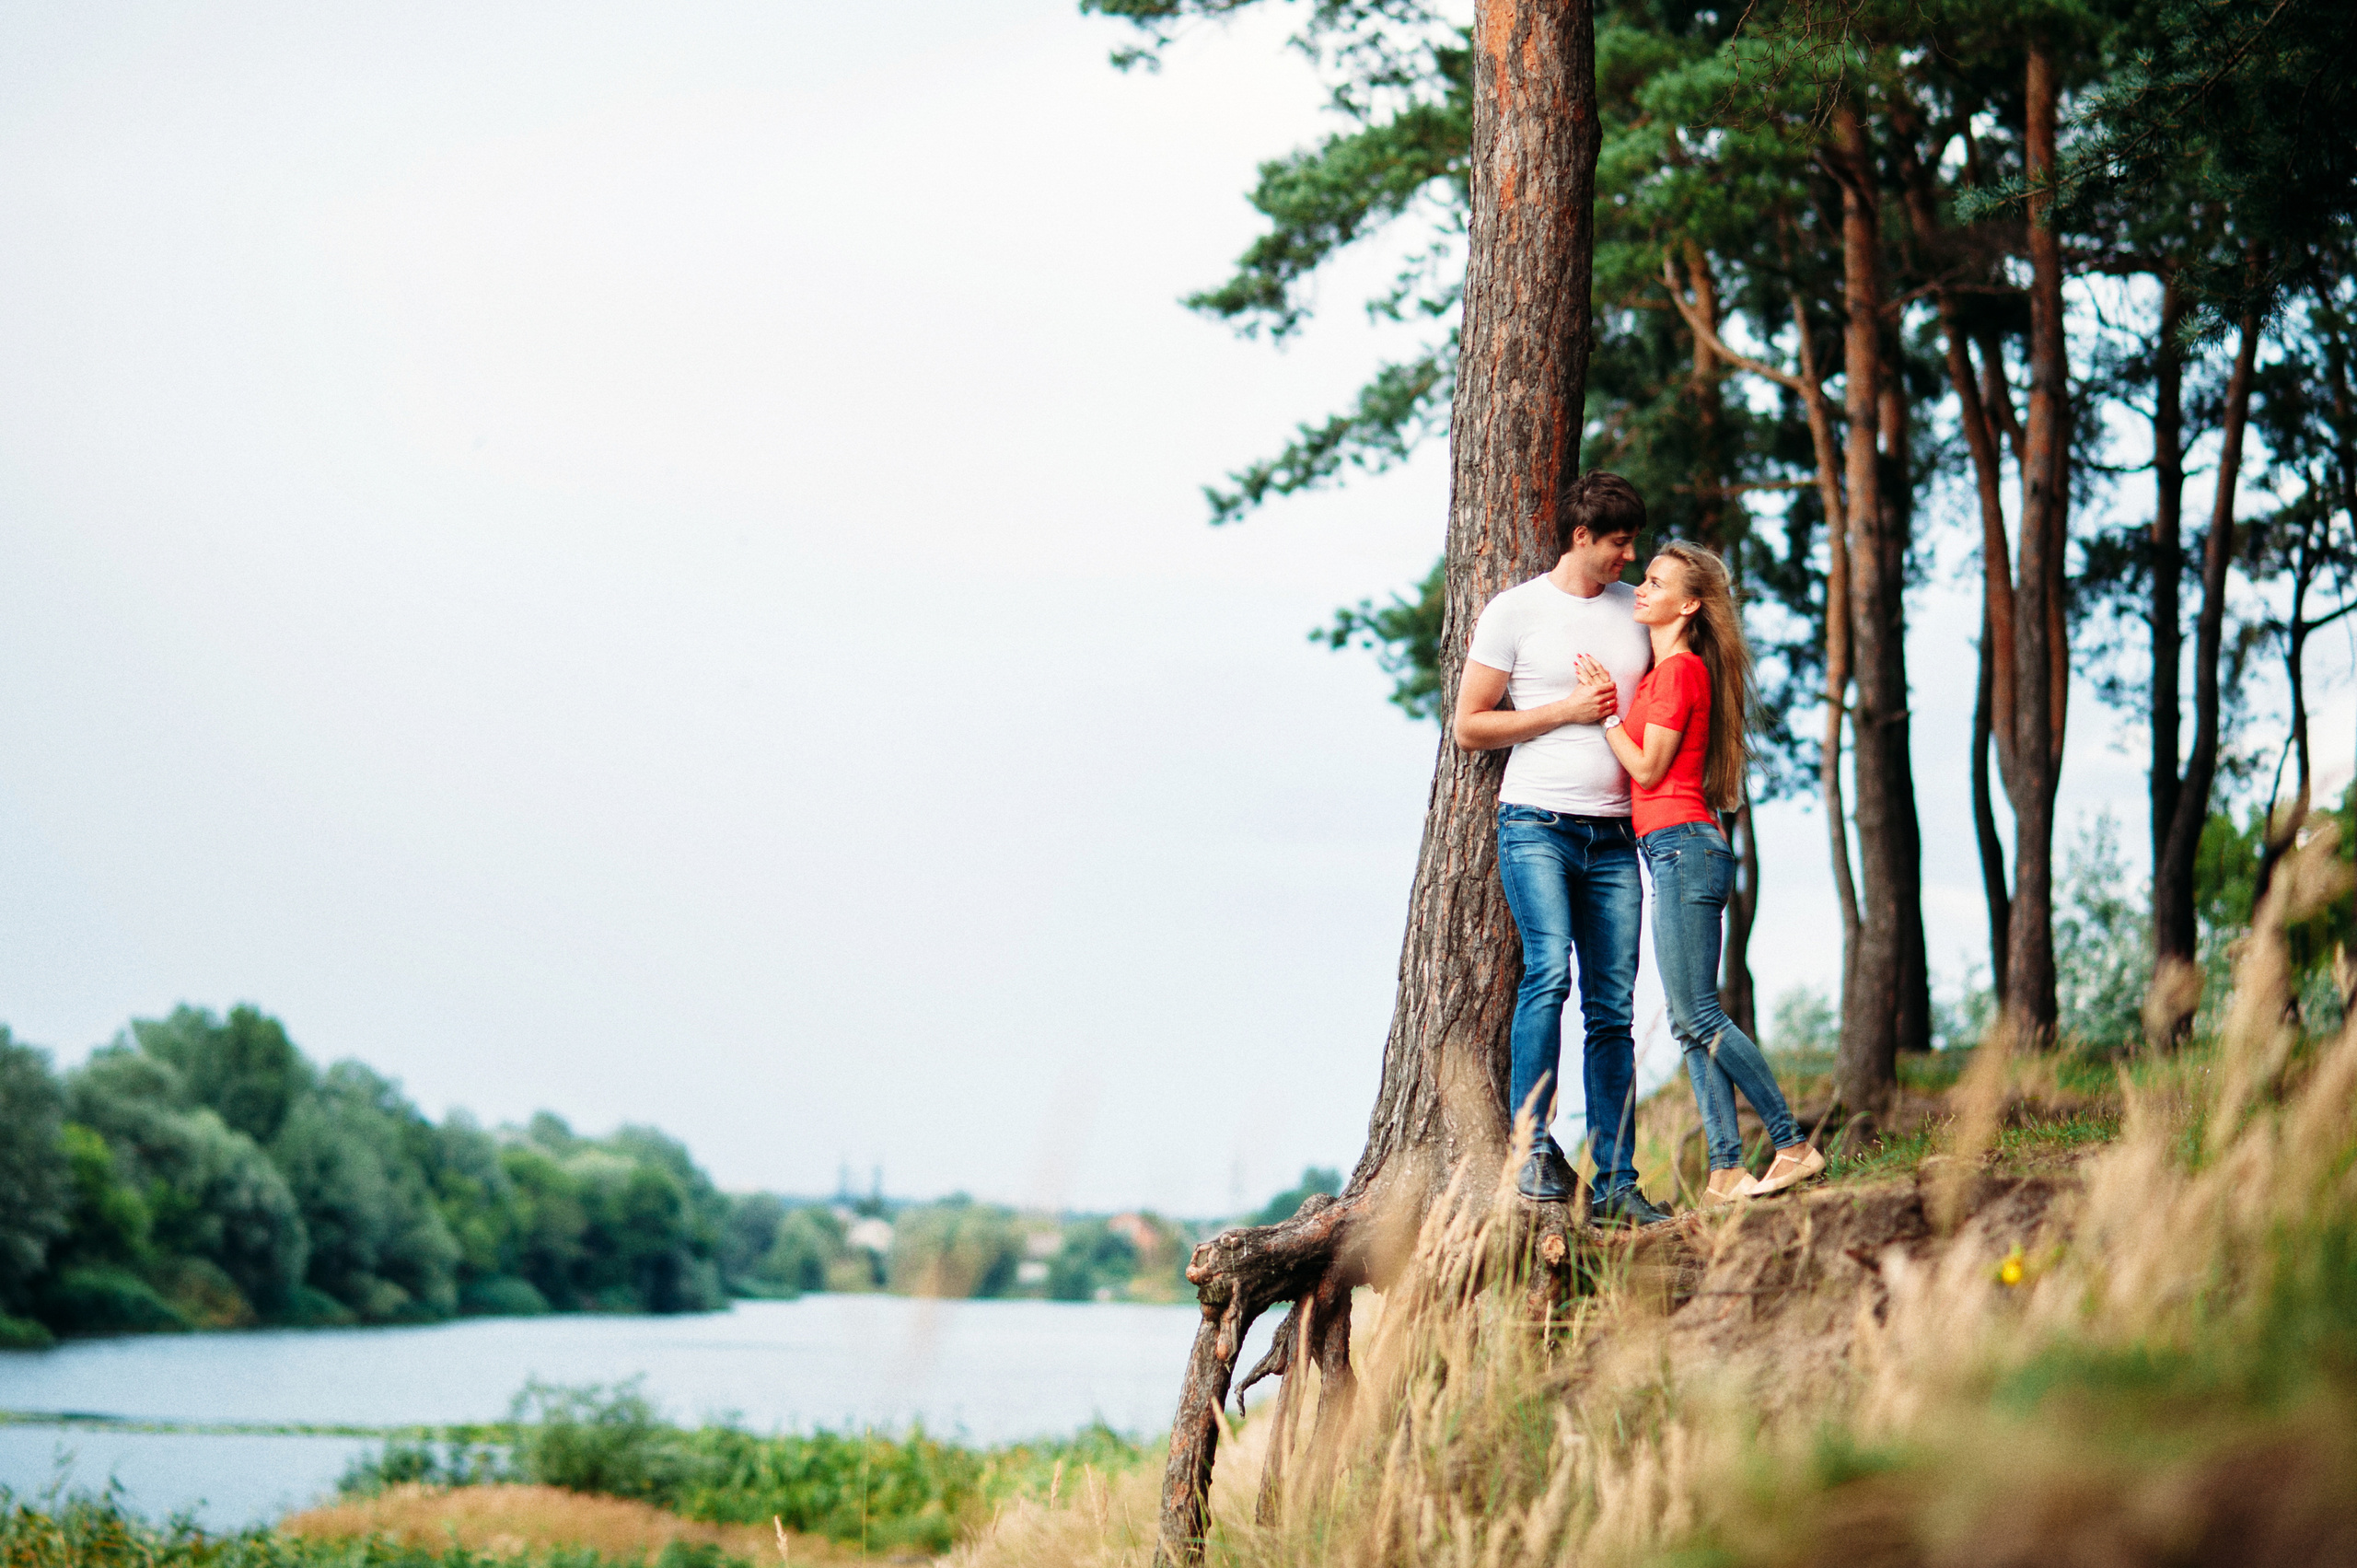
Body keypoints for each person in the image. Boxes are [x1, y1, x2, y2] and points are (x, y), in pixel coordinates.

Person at [1453, 472, 1672, 1226]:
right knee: (1549, 975)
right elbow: (1470, 725)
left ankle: (1615, 1180)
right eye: (1619, 542)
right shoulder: (1514, 611)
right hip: (1536, 824)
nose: (1629, 556)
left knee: (1612, 1008)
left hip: (1617, 836)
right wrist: (1566, 711)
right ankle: (1533, 1147)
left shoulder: (1634, 612)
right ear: (1582, 536)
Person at [1584, 542, 1825, 1202]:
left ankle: (1793, 1142)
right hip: (1671, 849)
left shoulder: (1681, 671)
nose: (1641, 586)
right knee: (1690, 1023)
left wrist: (1604, 714)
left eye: (1656, 581)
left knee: (1701, 1014)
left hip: (1684, 847)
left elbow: (1649, 767)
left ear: (1688, 605)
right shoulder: (1663, 672)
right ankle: (1725, 1168)